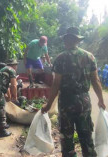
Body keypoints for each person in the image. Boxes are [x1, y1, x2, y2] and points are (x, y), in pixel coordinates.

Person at [41, 27, 106, 156]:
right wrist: (101, 100)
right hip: (84, 101)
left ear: (67, 40)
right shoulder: (90, 57)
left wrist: (48, 105)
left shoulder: (61, 58)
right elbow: (96, 81)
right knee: (86, 135)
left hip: (66, 102)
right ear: (77, 40)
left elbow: (56, 84)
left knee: (67, 137)